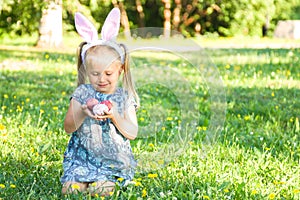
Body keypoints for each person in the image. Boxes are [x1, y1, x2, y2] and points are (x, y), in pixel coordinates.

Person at [61, 8, 139, 196]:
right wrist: (81, 110)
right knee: (70, 192)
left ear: (120, 70)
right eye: (95, 74)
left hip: (112, 161)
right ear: (86, 71)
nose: (101, 79)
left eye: (108, 73)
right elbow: (68, 127)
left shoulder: (124, 97)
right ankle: (81, 178)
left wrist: (115, 116)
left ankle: (105, 179)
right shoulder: (81, 93)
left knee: (101, 190)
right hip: (81, 159)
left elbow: (132, 132)